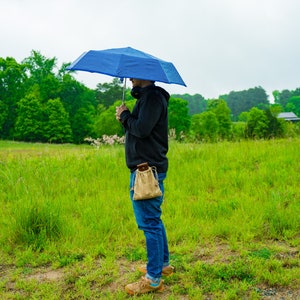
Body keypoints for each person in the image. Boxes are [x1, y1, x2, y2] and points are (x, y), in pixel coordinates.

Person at [116, 78, 174, 296]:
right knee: (154, 220)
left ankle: (152, 279)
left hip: (146, 171)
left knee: (149, 223)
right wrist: (125, 119)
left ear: (145, 75)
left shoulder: (152, 98)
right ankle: (163, 265)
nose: (130, 78)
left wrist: (125, 116)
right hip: (146, 169)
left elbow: (141, 129)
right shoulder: (148, 98)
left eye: (133, 74)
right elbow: (137, 131)